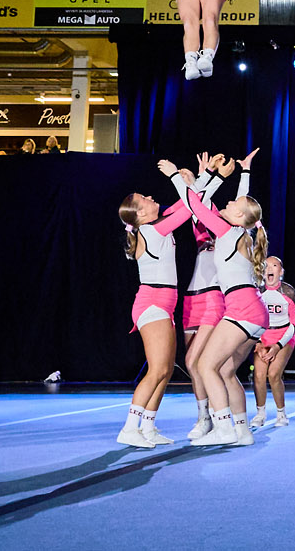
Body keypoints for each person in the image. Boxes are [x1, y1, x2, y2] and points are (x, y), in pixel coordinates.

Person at [173, 155, 274, 448]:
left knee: (205, 366)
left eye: (232, 205)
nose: (227, 203)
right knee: (226, 371)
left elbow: (194, 205)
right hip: (253, 311)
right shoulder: (243, 232)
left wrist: (176, 177)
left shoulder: (228, 231)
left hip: (242, 310)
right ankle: (242, 432)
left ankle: (223, 428)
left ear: (239, 216)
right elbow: (245, 204)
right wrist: (245, 171)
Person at [116, 164, 196, 448]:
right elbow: (190, 209)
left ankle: (148, 427)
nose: (151, 197)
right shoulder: (151, 231)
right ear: (140, 214)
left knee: (165, 370)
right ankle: (129, 428)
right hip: (152, 303)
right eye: (145, 199)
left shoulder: (157, 224)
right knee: (157, 369)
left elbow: (187, 203)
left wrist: (193, 181)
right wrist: (175, 177)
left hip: (164, 302)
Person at [251, 257, 295, 429]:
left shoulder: (289, 293)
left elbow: (294, 324)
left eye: (274, 265)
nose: (269, 269)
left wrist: (278, 346)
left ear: (281, 271)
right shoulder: (257, 291)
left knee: (273, 374)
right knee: (258, 375)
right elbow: (253, 319)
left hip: (284, 337)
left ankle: (281, 413)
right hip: (263, 336)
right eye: (266, 266)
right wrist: (258, 341)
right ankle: (260, 413)